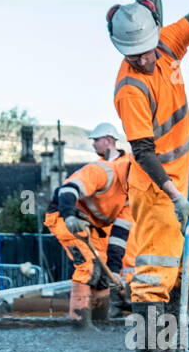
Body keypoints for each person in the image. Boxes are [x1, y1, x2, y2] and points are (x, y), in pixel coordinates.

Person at [108, 0, 189, 352]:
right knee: (155, 275)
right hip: (157, 189)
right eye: (133, 55)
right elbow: (142, 153)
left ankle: (166, 337)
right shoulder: (130, 90)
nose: (143, 59)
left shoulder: (167, 42)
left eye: (146, 51)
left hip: (186, 179)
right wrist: (174, 196)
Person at [42, 122, 136, 325]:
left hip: (89, 226)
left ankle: (100, 323)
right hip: (63, 216)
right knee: (88, 266)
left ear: (108, 140)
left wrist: (113, 270)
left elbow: (118, 238)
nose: (93, 145)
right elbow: (66, 191)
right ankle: (80, 324)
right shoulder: (103, 171)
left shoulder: (130, 197)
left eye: (96, 140)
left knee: (103, 273)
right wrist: (69, 217)